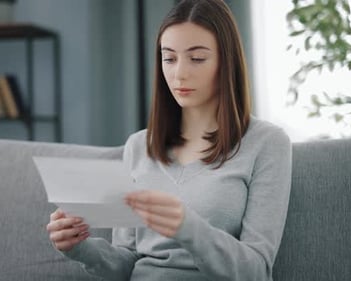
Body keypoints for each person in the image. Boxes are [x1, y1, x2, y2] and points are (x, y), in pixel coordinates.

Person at [46, 0, 292, 280]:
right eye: (169, 58)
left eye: (197, 58)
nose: (179, 73)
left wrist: (188, 227)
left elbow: (256, 271)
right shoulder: (139, 147)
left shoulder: (266, 143)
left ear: (227, 61)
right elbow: (127, 264)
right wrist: (81, 248)